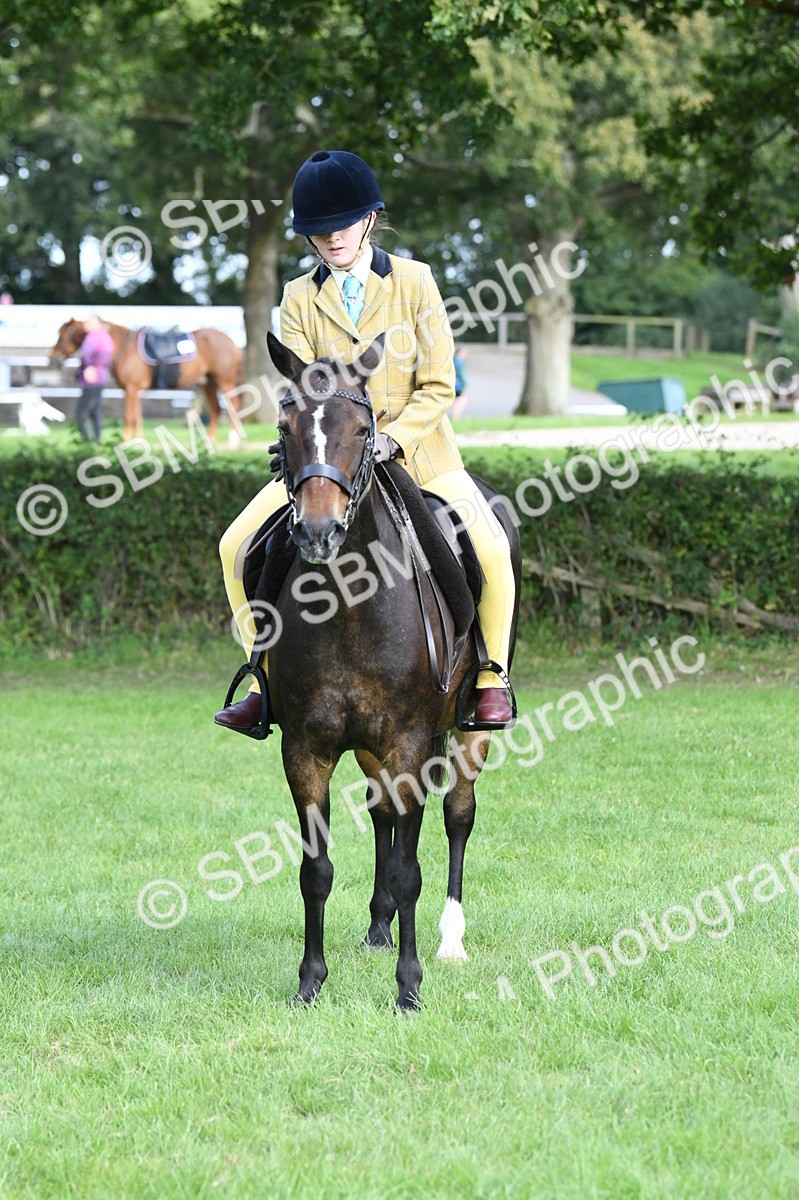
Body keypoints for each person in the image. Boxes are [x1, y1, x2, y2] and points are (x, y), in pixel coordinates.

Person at [215, 149, 515, 731]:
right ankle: (265, 678)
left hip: (421, 453)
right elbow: (303, 386)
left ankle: (489, 676)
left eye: (342, 225)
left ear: (370, 219)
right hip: (328, 461)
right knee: (233, 547)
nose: (331, 239)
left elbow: (438, 385)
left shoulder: (415, 281)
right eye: (319, 231)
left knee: (492, 546)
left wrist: (392, 440)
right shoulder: (300, 297)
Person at [75, 314, 114, 441]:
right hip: (102, 377)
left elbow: (86, 355)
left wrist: (89, 367)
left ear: (97, 323)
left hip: (91, 377)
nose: (85, 323)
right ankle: (97, 440)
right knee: (95, 411)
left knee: (81, 412)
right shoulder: (106, 337)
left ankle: (86, 441)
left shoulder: (92, 337)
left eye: (89, 321)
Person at [451, 344, 469, 419]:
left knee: (457, 402)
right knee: (462, 401)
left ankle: (454, 417)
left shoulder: (454, 360)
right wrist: (465, 384)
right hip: (458, 386)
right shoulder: (459, 362)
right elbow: (462, 375)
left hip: (453, 385)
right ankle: (455, 417)